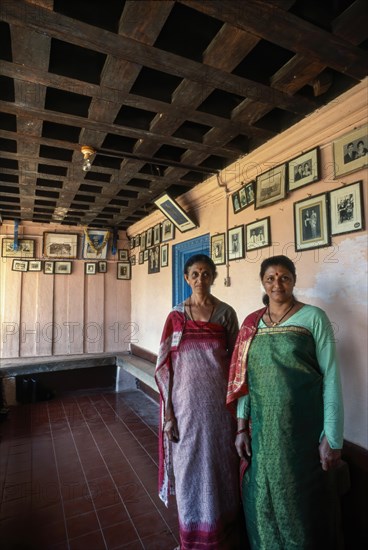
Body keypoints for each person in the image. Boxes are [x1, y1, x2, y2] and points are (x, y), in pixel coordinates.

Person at [227, 255, 344, 550]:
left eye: (284, 277)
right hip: (263, 437)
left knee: (303, 507)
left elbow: (331, 377)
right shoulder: (251, 325)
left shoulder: (314, 317)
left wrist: (332, 437)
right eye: (270, 278)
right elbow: (245, 382)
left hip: (303, 437)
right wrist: (241, 428)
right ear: (263, 283)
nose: (277, 284)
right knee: (262, 502)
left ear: (293, 280)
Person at [155, 254, 244, 549]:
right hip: (185, 407)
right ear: (186, 278)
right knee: (188, 467)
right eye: (194, 274)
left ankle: (223, 532)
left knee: (222, 466)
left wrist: (238, 405)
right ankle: (192, 536)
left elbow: (236, 362)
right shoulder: (176, 317)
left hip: (220, 409)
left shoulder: (226, 313)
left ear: (213, 277)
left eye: (206, 274)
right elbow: (164, 366)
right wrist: (169, 413)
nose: (200, 279)